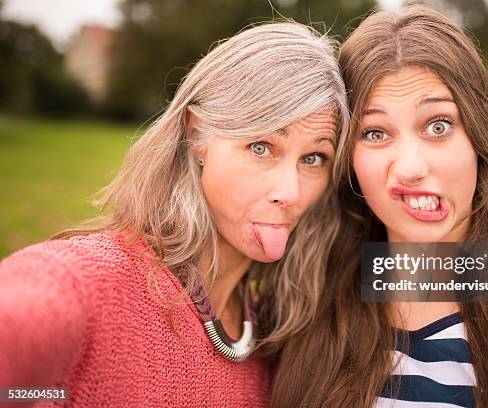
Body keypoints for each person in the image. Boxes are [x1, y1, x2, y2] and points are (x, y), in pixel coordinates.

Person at [267, 6, 488, 407]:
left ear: (478, 136)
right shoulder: (303, 295)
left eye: (438, 126)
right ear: (349, 158)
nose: (411, 168)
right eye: (376, 132)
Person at [0, 22, 349, 407]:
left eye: (314, 158)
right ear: (197, 136)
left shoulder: (277, 334)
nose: (290, 192)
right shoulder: (92, 282)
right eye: (261, 146)